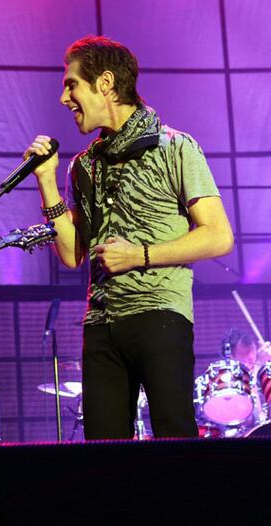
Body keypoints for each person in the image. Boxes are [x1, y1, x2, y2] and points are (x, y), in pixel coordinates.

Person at [26, 36, 234, 439]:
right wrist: (47, 182)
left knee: (174, 438)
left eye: (72, 85)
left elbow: (219, 236)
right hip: (101, 321)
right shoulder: (83, 166)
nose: (64, 98)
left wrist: (138, 255)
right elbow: (71, 255)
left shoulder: (175, 146)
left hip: (160, 314)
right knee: (104, 452)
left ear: (105, 84)